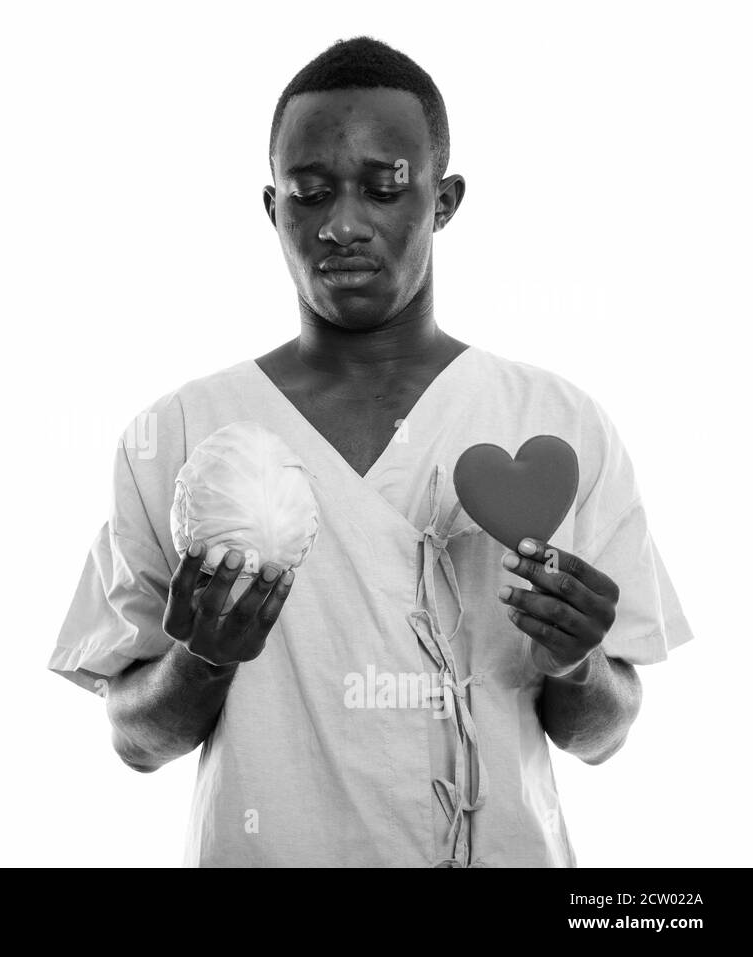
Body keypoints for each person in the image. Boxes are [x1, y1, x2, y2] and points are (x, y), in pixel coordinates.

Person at [47, 36, 694, 867]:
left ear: (444, 199)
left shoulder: (557, 421)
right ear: (273, 207)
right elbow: (136, 739)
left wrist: (575, 664)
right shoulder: (181, 432)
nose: (342, 224)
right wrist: (201, 660)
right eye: (310, 194)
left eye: (385, 188)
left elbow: (603, 735)